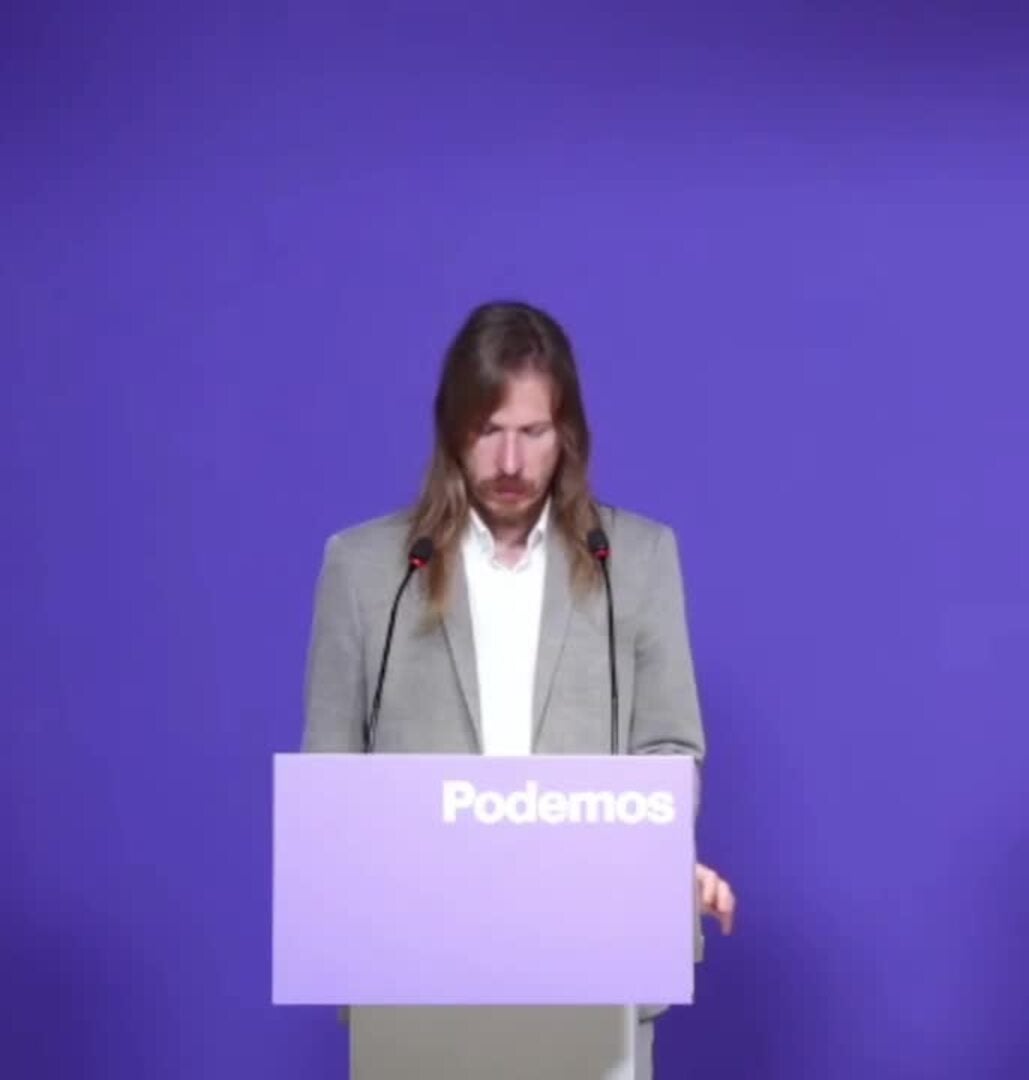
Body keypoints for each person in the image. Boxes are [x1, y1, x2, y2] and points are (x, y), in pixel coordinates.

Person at [301, 299, 737, 1080]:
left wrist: (656, 853)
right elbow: (330, 778)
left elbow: (669, 748)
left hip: (593, 970)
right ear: (451, 430)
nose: (509, 461)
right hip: (416, 981)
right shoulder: (365, 571)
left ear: (568, 433)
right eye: (487, 430)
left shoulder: (636, 559)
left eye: (533, 432)